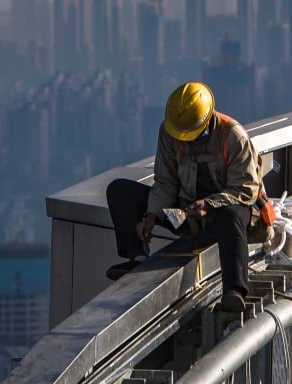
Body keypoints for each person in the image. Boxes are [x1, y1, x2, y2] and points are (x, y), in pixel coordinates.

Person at [104, 81, 261, 312]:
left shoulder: (233, 136)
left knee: (232, 216)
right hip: (185, 212)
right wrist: (152, 214)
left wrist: (209, 204)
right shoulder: (170, 132)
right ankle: (137, 259)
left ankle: (234, 290)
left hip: (222, 214)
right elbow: (166, 181)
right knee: (120, 191)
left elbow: (246, 189)